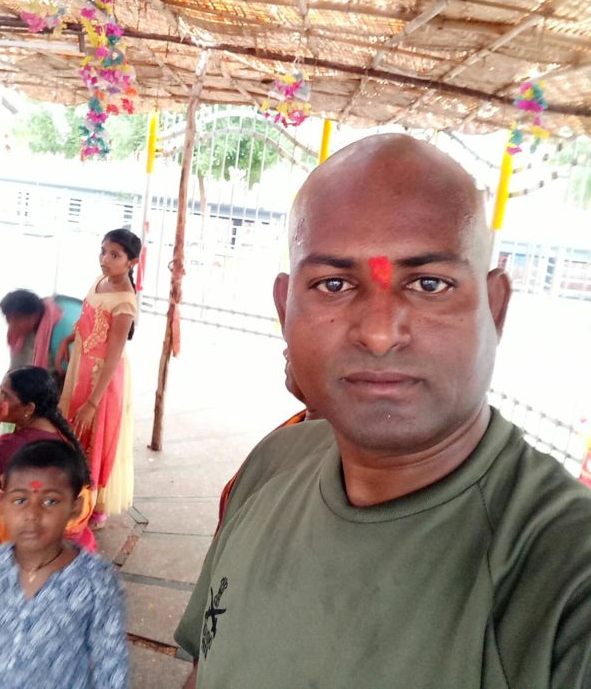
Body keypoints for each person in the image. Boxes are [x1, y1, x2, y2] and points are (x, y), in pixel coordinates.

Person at [175, 134, 591, 689]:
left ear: (495, 309)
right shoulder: (271, 466)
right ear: (284, 310)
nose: (377, 333)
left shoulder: (564, 577)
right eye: (334, 284)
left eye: (428, 283)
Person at [0, 440, 128, 688]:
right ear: (0, 503)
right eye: (20, 500)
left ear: (75, 507)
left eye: (50, 501)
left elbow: (111, 669)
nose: (32, 515)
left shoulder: (97, 583)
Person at [0, 366, 94, 599]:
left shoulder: (18, 443)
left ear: (29, 409)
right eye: (0, 392)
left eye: (6, 396)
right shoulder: (51, 425)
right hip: (68, 511)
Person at [58, 228, 141, 529]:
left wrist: (94, 402)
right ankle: (73, 491)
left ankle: (95, 505)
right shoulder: (100, 281)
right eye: (103, 251)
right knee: (73, 427)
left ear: (131, 262)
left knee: (97, 434)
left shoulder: (125, 303)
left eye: (114, 255)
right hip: (81, 367)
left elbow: (114, 355)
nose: (105, 259)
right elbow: (87, 318)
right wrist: (69, 340)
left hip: (102, 378)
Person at [0, 289, 82, 377]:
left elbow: (68, 371)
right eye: (8, 319)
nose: (12, 326)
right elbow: (14, 369)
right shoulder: (17, 337)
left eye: (17, 319)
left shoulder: (60, 330)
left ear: (33, 315)